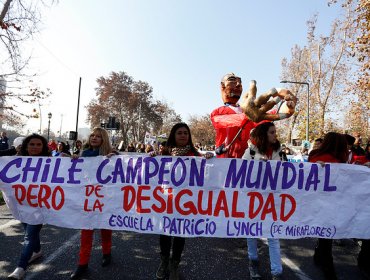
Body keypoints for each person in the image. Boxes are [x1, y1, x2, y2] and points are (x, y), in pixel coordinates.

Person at [154, 123, 213, 280]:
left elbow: (208, 176)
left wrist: (209, 161)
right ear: (173, 135)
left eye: (185, 133)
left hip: (186, 204)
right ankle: (164, 262)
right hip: (166, 202)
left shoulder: (196, 155)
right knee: (165, 233)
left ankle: (174, 265)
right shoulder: (164, 154)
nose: (182, 135)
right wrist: (151, 159)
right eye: (179, 132)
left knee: (180, 234)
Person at [211, 73, 296, 159]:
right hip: (224, 164)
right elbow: (225, 121)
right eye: (232, 80)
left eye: (239, 82)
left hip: (245, 163)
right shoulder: (217, 112)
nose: (238, 84)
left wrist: (289, 106)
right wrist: (248, 115)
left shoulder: (249, 112)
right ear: (222, 86)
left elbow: (270, 115)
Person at [242, 122, 285, 280]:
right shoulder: (251, 152)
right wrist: (258, 166)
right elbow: (241, 174)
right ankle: (253, 262)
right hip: (253, 200)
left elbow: (287, 173)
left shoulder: (279, 151)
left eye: (275, 132)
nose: (275, 135)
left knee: (273, 235)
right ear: (263, 135)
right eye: (272, 132)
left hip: (272, 201)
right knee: (252, 233)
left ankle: (277, 272)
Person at [70, 128, 115, 280]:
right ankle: (82, 264)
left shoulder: (113, 154)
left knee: (105, 228)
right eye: (92, 136)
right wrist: (74, 159)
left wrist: (112, 161)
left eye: (98, 136)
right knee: (86, 230)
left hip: (107, 197)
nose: (94, 138)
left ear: (104, 140)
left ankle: (106, 253)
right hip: (88, 196)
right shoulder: (85, 153)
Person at [8, 134, 50, 279]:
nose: (35, 147)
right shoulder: (15, 161)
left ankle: (20, 268)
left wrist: (72, 159)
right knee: (30, 233)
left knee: (29, 236)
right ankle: (37, 251)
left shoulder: (51, 162)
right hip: (21, 204)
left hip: (39, 206)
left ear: (43, 147)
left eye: (39, 145)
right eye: (32, 144)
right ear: (26, 146)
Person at [308, 132, 349, 280]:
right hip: (332, 203)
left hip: (318, 203)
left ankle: (320, 257)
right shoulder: (337, 160)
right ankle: (327, 267)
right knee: (327, 236)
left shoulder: (315, 155)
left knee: (325, 235)